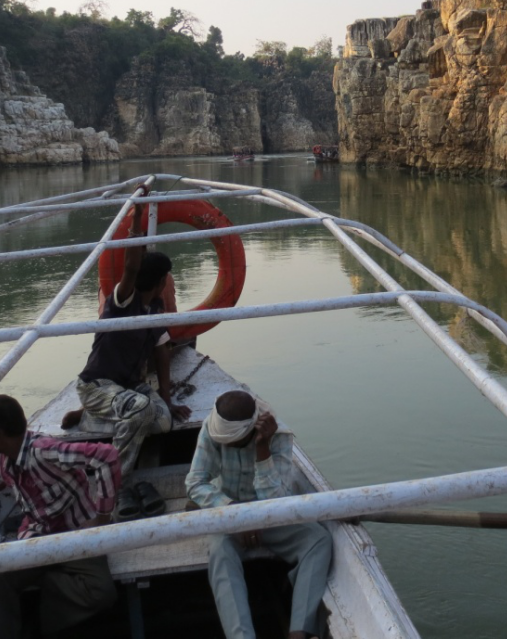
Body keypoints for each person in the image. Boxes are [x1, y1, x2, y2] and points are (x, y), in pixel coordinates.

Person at [0, 394, 119, 639]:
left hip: (76, 535)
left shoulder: (44, 451)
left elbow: (106, 456)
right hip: (38, 537)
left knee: (101, 592)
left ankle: (37, 612)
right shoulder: (2, 461)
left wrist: (102, 515)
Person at [186, 389, 332, 639]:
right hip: (229, 515)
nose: (226, 445)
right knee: (220, 552)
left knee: (319, 540)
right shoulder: (212, 429)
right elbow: (196, 483)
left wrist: (262, 451)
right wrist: (236, 515)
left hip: (270, 515)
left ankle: (300, 630)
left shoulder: (279, 436)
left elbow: (280, 502)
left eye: (233, 442)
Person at [62, 231, 191, 514]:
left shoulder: (154, 308)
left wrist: (167, 400)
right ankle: (118, 485)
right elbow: (131, 266)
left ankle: (89, 417)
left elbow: (162, 352)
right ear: (160, 282)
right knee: (141, 409)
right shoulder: (122, 302)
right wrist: (135, 221)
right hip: (97, 385)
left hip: (130, 388)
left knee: (163, 421)